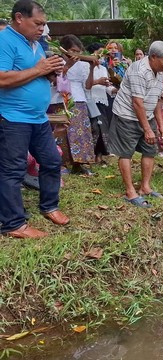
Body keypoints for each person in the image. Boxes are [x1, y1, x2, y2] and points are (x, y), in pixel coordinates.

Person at [0, 0, 68, 238]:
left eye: (44, 24)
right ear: (19, 18)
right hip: (12, 117)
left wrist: (50, 73)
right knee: (12, 170)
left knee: (51, 161)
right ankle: (13, 224)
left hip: (37, 117)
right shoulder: (4, 41)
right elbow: (2, 79)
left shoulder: (35, 44)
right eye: (38, 23)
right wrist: (39, 70)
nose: (42, 28)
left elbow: (33, 73)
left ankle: (49, 205)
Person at [109, 40, 163, 208]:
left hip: (148, 114)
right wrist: (147, 129)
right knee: (126, 153)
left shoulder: (161, 71)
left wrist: (160, 125)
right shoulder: (139, 70)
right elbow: (137, 103)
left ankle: (145, 187)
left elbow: (156, 100)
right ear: (153, 57)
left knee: (150, 150)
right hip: (127, 115)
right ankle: (130, 192)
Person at [49, 34, 95, 175]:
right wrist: (67, 66)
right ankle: (61, 164)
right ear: (64, 50)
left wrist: (92, 68)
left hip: (79, 100)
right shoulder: (57, 61)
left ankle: (79, 163)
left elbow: (88, 86)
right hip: (59, 100)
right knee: (61, 132)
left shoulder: (83, 65)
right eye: (73, 51)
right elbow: (54, 81)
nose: (76, 54)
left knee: (80, 134)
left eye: (78, 51)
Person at [85, 42, 113, 164]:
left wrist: (114, 88)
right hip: (91, 100)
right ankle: (90, 155)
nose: (102, 56)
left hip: (102, 100)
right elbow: (85, 85)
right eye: (99, 53)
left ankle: (100, 156)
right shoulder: (85, 66)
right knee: (94, 128)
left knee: (103, 129)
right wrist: (97, 82)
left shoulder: (104, 68)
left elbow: (107, 87)